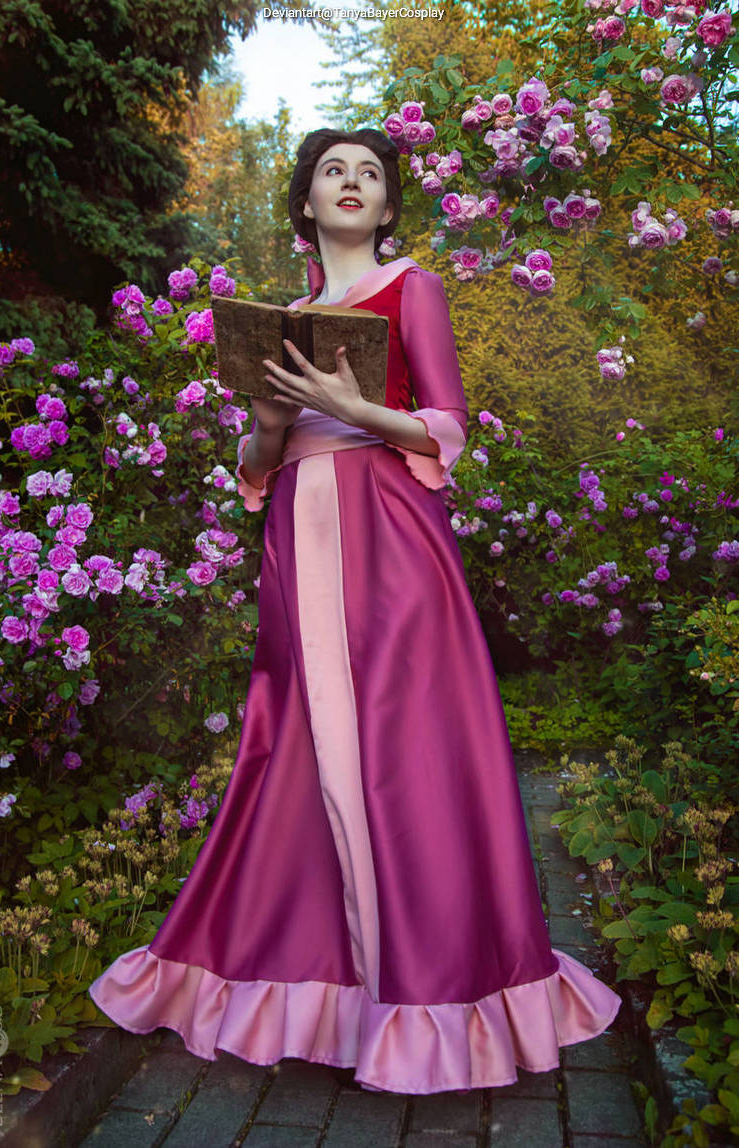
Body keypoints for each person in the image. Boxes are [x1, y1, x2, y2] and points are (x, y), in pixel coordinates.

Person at [89, 127, 622, 1094]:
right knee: (299, 746)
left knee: (409, 747)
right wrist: (271, 420)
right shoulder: (281, 318)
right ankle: (319, 987)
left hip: (392, 540)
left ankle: (433, 994)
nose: (351, 182)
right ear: (305, 204)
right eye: (333, 170)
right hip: (300, 538)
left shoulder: (411, 286)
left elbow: (449, 424)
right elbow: (254, 468)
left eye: (369, 174)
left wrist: (357, 404)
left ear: (385, 210)